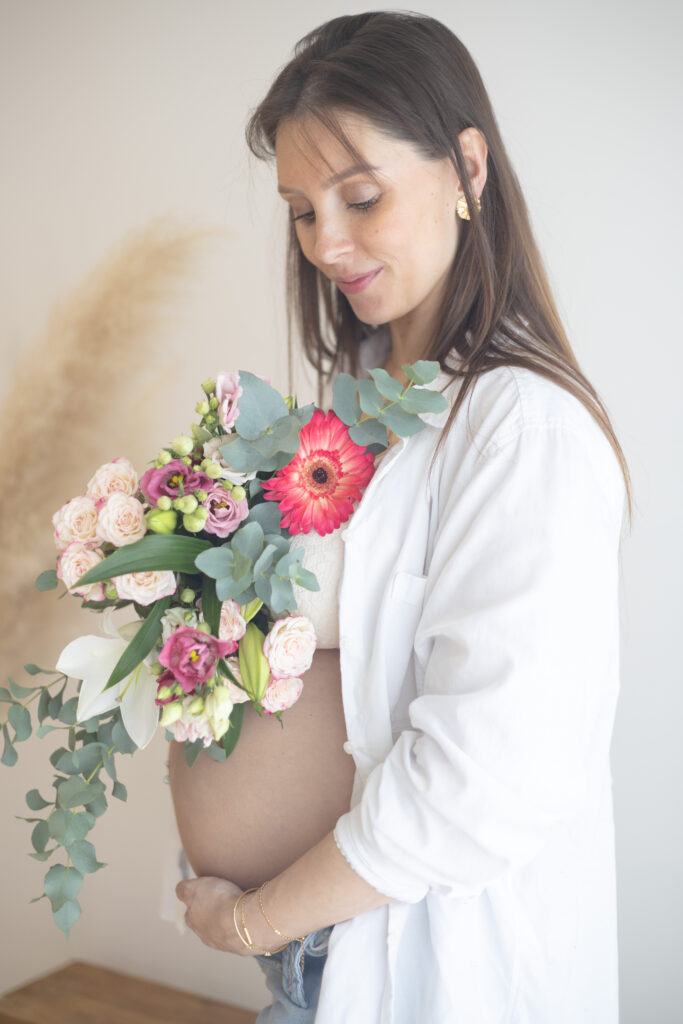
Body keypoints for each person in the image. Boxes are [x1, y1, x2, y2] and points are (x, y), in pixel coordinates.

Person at [174, 12, 630, 1022]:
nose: (325, 243)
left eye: (360, 197)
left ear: (466, 166)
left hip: (438, 970)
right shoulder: (353, 411)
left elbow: (484, 782)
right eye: (300, 210)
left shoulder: (522, 432)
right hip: (325, 962)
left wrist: (253, 919)